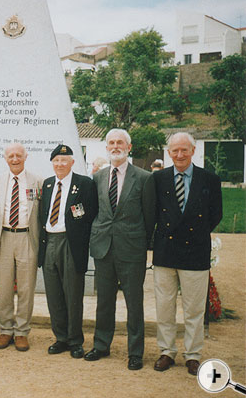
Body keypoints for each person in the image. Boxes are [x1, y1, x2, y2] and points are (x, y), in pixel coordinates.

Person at [85, 129, 155, 370]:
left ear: (129, 146)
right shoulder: (98, 178)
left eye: (120, 143)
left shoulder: (144, 178)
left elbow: (149, 217)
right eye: (111, 143)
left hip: (132, 249)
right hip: (103, 248)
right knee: (104, 302)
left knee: (134, 303)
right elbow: (95, 212)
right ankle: (101, 345)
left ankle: (135, 352)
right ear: (106, 147)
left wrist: (142, 245)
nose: (115, 146)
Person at [152, 132, 222, 376]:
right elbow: (153, 214)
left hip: (195, 252)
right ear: (168, 153)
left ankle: (193, 355)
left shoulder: (209, 179)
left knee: (194, 309)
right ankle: (166, 351)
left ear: (193, 151)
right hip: (165, 253)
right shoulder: (158, 179)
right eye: (175, 151)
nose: (179, 155)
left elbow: (216, 214)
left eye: (184, 150)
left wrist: (197, 235)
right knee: (164, 306)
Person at [39, 144, 98, 359]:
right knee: (53, 294)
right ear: (52, 163)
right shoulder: (47, 185)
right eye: (57, 161)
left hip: (71, 243)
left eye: (65, 160)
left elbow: (90, 214)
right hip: (50, 241)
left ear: (72, 162)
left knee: (73, 293)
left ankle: (75, 340)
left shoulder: (84, 184)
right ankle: (60, 338)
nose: (60, 164)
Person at [0, 143, 42, 352]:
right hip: (3, 237)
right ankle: (5, 330)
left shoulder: (37, 181)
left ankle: (21, 332)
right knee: (3, 288)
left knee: (26, 288)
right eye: (10, 155)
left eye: (18, 155)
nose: (15, 158)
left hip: (27, 238)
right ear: (5, 158)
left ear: (26, 156)